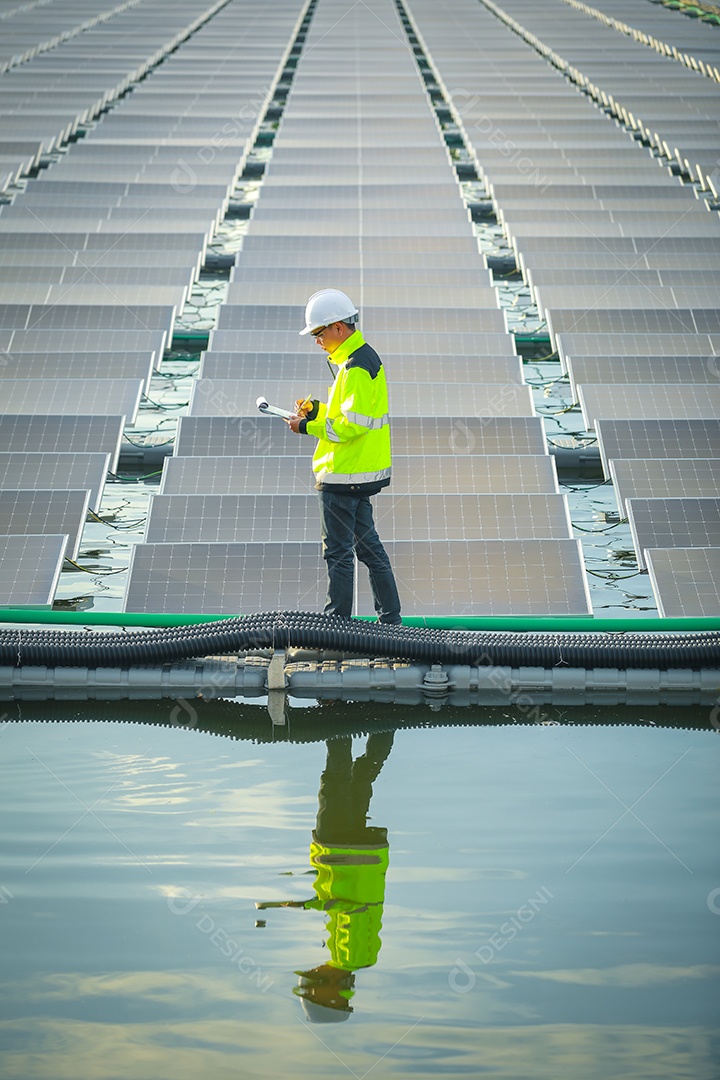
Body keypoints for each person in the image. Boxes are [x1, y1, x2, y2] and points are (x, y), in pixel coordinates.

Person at [256, 731, 394, 1022]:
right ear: (327, 989)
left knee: (363, 776)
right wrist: (304, 905)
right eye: (312, 983)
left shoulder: (359, 958)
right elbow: (350, 908)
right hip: (339, 849)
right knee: (335, 779)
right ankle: (336, 715)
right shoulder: (350, 957)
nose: (311, 973)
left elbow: (347, 900)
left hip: (362, 856)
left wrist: (311, 886)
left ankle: (387, 721)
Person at [285, 289, 402, 625]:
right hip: (358, 472)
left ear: (338, 327)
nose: (317, 342)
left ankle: (337, 626)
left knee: (337, 554)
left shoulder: (355, 367)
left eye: (319, 334)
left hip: (343, 474)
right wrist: (318, 411)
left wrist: (306, 426)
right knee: (368, 550)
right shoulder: (357, 360)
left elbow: (350, 426)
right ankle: (390, 622)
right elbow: (349, 414)